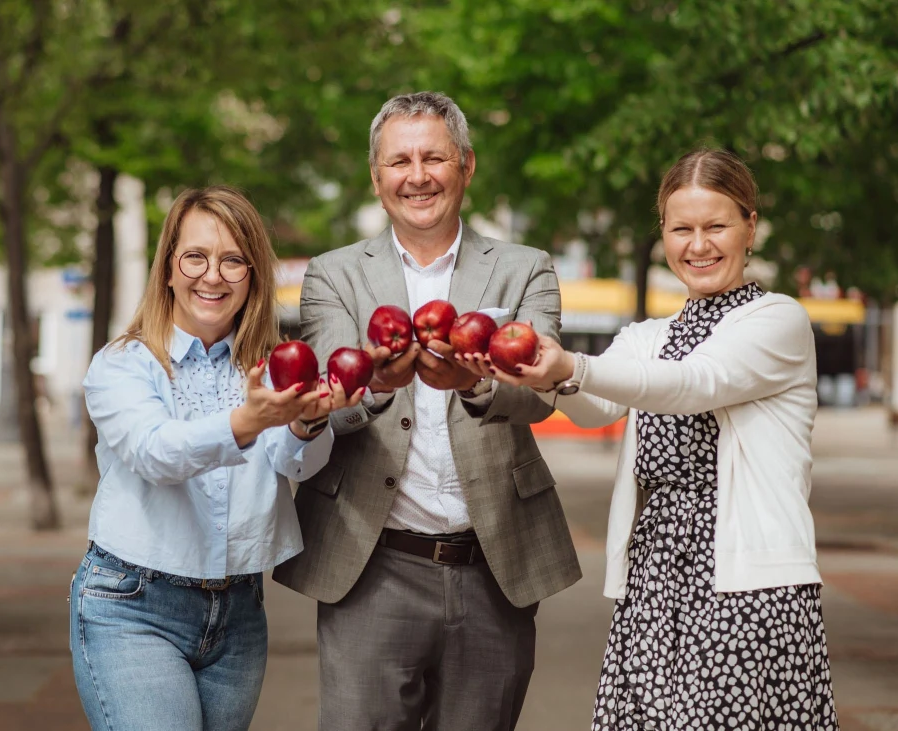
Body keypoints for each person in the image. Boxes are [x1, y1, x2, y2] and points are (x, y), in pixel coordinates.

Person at [464, 149, 839, 730]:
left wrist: (573, 366)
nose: (699, 245)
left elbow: (693, 384)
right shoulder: (649, 336)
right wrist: (545, 374)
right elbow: (595, 408)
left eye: (716, 226)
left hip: (748, 582)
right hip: (655, 578)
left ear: (750, 227)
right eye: (681, 229)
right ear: (662, 232)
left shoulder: (777, 320)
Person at [273, 91, 580, 730]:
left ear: (466, 165)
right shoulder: (333, 275)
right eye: (399, 161)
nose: (417, 176)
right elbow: (330, 399)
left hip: (495, 563)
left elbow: (539, 392)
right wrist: (376, 386)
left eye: (434, 158)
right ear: (376, 176)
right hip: (372, 564)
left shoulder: (527, 269)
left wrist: (476, 385)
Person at [70, 185, 361, 731]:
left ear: (252, 276)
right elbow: (155, 453)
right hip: (132, 605)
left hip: (239, 612)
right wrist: (245, 422)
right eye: (195, 257)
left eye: (233, 260)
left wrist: (307, 421)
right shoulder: (123, 364)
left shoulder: (270, 366)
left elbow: (295, 463)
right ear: (168, 269)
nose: (213, 276)